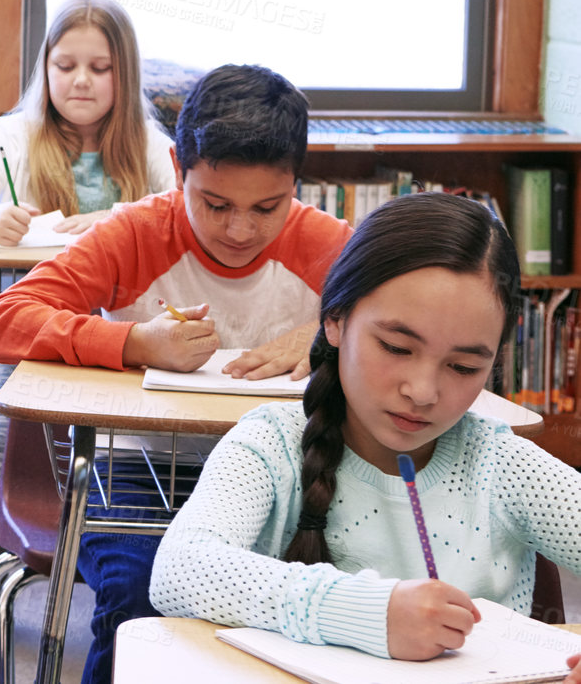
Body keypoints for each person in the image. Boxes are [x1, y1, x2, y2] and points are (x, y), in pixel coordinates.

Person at [0, 63, 353, 684]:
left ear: (296, 184)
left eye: (267, 207)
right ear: (179, 168)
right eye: (214, 203)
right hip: (136, 468)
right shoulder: (137, 231)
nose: (240, 230)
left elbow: (412, 331)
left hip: (291, 472)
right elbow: (3, 320)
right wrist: (132, 343)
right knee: (141, 596)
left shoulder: (325, 243)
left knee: (318, 603)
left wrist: (324, 338)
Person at [151, 191, 581, 682]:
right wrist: (370, 612)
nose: (422, 392)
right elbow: (180, 569)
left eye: (463, 366)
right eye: (397, 347)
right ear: (334, 319)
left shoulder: (502, 464)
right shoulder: (272, 447)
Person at [0, 0, 175, 648]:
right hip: (26, 336)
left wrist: (114, 222)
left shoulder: (148, 145)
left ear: (124, 75)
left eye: (99, 68)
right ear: (45, 69)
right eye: (65, 65)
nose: (81, 82)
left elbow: (178, 211)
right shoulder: (14, 136)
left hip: (122, 339)